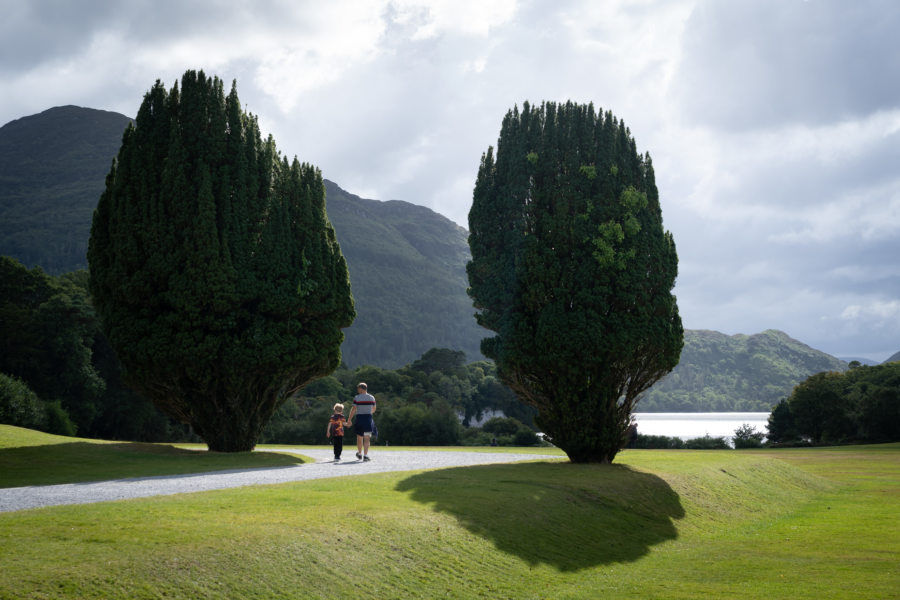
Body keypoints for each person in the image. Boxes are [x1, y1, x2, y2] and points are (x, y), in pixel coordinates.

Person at [346, 382, 376, 461]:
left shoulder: (357, 398)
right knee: (367, 438)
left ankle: (359, 453)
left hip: (359, 419)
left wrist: (349, 420)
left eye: (358, 388)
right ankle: (365, 456)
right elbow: (374, 409)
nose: (357, 390)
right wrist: (369, 413)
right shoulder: (372, 397)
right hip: (368, 419)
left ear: (361, 389)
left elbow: (353, 409)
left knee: (359, 437)